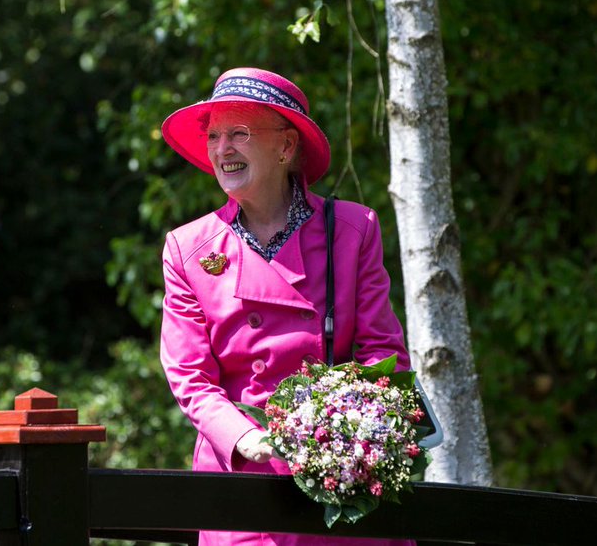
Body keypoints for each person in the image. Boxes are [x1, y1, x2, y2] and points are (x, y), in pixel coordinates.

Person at [159, 67, 415, 546]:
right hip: (242, 482)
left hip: (340, 480)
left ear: (285, 147)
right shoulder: (187, 248)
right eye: (215, 136)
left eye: (240, 133)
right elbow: (189, 376)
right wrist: (245, 438)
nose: (222, 149)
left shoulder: (354, 229)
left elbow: (384, 354)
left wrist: (356, 437)